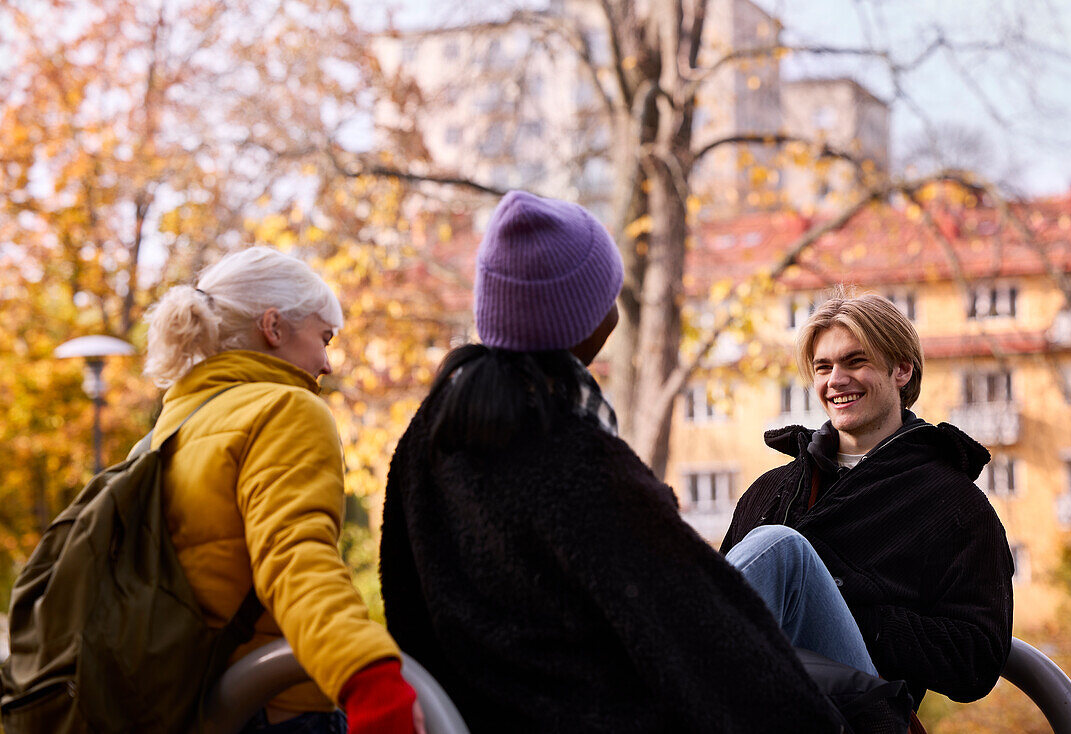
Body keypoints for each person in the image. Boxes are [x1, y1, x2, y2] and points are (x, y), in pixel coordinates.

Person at [379, 191, 844, 732]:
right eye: (609, 291)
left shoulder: (432, 429)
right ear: (586, 321)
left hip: (467, 713)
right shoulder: (578, 464)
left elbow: (404, 607)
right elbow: (707, 637)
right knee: (784, 555)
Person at [143, 246, 420, 734]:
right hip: (276, 711)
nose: (327, 364)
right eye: (324, 338)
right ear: (273, 327)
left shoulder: (171, 426)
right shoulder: (286, 409)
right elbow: (295, 558)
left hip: (191, 706)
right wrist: (369, 677)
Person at [720, 289, 1014, 708]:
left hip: (855, 710)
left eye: (855, 361)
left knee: (780, 547)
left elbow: (977, 660)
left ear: (902, 370)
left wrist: (856, 614)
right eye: (823, 367)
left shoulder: (954, 505)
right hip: (755, 696)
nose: (835, 380)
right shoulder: (771, 492)